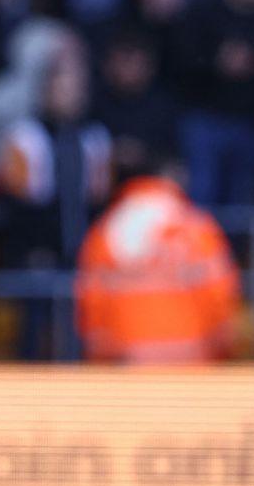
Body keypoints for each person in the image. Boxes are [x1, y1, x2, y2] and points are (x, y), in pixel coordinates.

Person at [74, 142, 239, 363]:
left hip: (127, 366)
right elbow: (219, 295)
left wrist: (103, 360)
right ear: (171, 175)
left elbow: (92, 306)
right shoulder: (195, 226)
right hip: (191, 363)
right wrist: (221, 353)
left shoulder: (106, 230)